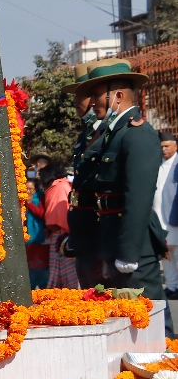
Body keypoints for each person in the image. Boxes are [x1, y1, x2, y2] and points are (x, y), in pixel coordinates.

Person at [91, 62, 173, 338]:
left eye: (98, 95)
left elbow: (138, 198)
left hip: (133, 244)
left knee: (153, 324)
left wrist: (127, 252)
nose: (92, 102)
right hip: (113, 236)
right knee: (128, 325)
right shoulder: (113, 134)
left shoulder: (137, 133)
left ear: (117, 96)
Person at [66, 60, 113, 287]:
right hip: (83, 224)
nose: (76, 101)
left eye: (83, 94)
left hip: (98, 224)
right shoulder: (86, 133)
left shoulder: (109, 133)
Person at [40, 165, 79, 289]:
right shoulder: (56, 187)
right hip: (60, 232)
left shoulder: (60, 187)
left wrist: (65, 230)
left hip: (64, 233)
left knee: (69, 271)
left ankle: (72, 296)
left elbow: (63, 212)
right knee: (59, 270)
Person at [154, 132, 178, 296]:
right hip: (159, 220)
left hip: (174, 218)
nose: (163, 149)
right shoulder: (156, 164)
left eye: (166, 146)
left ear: (175, 146)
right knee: (167, 255)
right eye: (161, 146)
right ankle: (171, 286)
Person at [25, 179, 49, 290]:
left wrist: (30, 204)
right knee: (30, 269)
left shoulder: (40, 198)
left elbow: (41, 213)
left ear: (36, 189)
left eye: (30, 189)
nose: (28, 192)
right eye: (26, 189)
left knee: (40, 267)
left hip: (39, 237)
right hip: (27, 238)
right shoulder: (21, 200)